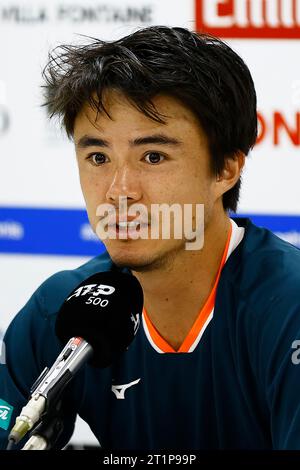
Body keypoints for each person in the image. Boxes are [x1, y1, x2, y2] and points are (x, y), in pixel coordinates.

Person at [1, 25, 300, 451]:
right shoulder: (61, 310)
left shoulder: (288, 307)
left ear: (226, 169)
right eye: (98, 157)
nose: (119, 191)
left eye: (153, 156)